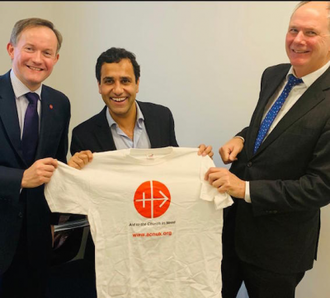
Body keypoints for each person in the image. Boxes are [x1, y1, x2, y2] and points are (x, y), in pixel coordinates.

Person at [205, 2, 330, 298]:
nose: (298, 40)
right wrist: (241, 138)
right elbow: (270, 129)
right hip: (232, 231)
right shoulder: (273, 75)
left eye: (310, 32)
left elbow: (321, 187)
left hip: (279, 249)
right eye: (293, 29)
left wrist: (245, 189)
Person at [0, 18, 70, 298]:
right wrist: (20, 178)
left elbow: (55, 163)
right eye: (30, 49)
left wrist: (52, 221)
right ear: (11, 49)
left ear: (56, 58)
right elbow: (29, 176)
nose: (38, 59)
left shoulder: (60, 103)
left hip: (38, 240)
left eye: (47, 53)